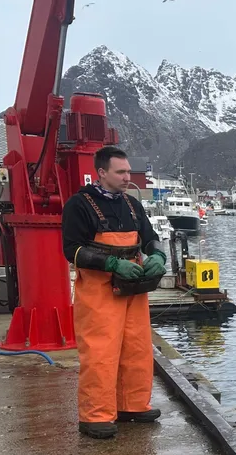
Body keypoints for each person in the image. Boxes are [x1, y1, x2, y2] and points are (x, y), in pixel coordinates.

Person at [62, 146, 168, 439]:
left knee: (137, 348)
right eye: (120, 172)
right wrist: (110, 263)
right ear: (102, 173)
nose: (127, 177)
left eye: (128, 172)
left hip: (133, 286)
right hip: (98, 291)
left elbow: (150, 238)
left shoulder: (132, 205)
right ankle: (95, 416)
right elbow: (71, 250)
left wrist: (157, 257)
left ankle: (132, 405)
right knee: (100, 351)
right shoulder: (78, 205)